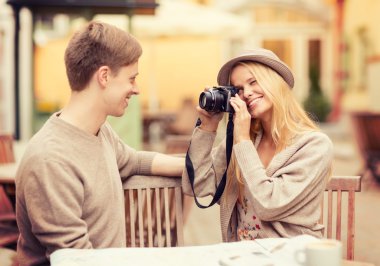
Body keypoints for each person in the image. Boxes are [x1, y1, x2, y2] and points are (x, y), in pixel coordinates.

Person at [15, 21, 184, 265]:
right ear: (104, 76)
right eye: (131, 78)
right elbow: (76, 259)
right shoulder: (51, 159)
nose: (136, 89)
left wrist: (191, 167)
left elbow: (134, 161)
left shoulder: (100, 131)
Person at [182, 48, 333, 242]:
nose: (248, 93)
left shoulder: (314, 146)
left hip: (291, 255)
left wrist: (242, 140)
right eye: (239, 90)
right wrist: (207, 129)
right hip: (242, 255)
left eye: (253, 82)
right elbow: (196, 185)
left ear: (275, 83)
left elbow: (268, 206)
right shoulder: (246, 139)